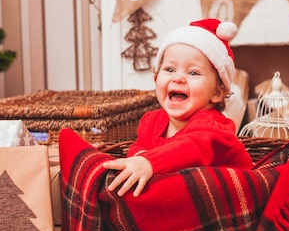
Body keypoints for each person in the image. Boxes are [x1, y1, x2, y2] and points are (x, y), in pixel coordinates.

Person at [103, 18, 253, 197]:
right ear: (156, 79)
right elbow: (138, 147)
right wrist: (139, 157)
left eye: (193, 73)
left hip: (227, 198)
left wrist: (149, 162)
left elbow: (191, 148)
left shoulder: (213, 128)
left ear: (217, 93)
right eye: (169, 69)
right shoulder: (151, 121)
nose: (178, 78)